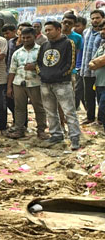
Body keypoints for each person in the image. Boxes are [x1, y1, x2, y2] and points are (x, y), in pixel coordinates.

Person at [37, 20, 81, 150]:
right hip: (45, 83)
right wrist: (43, 75)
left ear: (58, 30)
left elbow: (70, 63)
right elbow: (39, 63)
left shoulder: (68, 43)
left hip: (62, 83)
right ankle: (56, 134)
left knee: (69, 112)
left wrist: (59, 75)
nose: (47, 32)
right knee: (50, 111)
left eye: (50, 29)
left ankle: (74, 138)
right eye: (46, 30)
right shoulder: (44, 45)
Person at [7, 27, 47, 139]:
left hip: (35, 83)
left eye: (28, 37)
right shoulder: (17, 53)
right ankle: (19, 130)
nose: (25, 40)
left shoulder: (41, 51)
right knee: (19, 108)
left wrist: (35, 67)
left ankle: (41, 130)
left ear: (34, 37)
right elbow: (12, 70)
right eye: (23, 38)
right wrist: (9, 87)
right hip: (19, 83)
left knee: (38, 107)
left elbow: (46, 67)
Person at [80, 9, 105, 123]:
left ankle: (100, 119)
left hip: (100, 71)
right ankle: (90, 117)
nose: (95, 20)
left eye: (97, 18)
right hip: (86, 70)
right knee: (88, 96)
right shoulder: (86, 32)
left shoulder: (103, 33)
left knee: (101, 96)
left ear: (103, 18)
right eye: (93, 18)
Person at [62, 14, 84, 113]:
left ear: (74, 25)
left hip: (71, 71)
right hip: (54, 71)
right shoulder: (56, 35)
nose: (66, 25)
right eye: (64, 22)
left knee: (69, 95)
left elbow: (78, 52)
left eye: (69, 23)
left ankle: (68, 116)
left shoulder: (78, 37)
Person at [87, 19, 105, 131]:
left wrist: (96, 62)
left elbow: (101, 61)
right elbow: (91, 63)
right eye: (101, 29)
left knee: (103, 108)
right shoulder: (102, 46)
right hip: (99, 82)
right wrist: (96, 62)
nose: (102, 31)